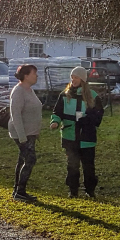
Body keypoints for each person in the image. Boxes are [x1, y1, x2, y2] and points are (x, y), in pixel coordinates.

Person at [50, 66, 104, 198]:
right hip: (70, 136)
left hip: (87, 137)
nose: (73, 80)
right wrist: (55, 121)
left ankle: (90, 190)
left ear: (83, 79)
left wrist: (87, 119)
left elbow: (98, 116)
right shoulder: (64, 95)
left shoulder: (93, 96)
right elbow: (57, 112)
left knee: (88, 166)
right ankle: (73, 190)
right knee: (72, 165)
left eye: (76, 77)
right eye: (72, 77)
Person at [9, 64, 42, 202]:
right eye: (34, 73)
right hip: (22, 133)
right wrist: (22, 136)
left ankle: (17, 190)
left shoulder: (29, 90)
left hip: (30, 133)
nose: (37, 75)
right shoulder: (19, 91)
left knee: (22, 159)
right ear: (26, 75)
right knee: (30, 159)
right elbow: (15, 114)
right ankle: (20, 192)